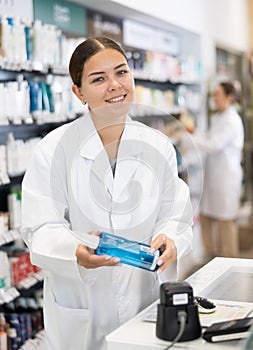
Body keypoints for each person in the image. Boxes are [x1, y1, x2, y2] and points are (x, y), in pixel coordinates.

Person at [21, 36, 193, 350]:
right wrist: (75, 251)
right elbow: (39, 228)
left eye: (121, 72)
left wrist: (171, 238)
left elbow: (176, 215)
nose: (114, 85)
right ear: (78, 91)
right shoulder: (53, 149)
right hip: (83, 307)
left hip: (144, 299)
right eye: (98, 79)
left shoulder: (158, 146)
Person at [182, 81, 244, 259]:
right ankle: (212, 258)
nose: (214, 98)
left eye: (218, 94)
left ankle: (230, 261)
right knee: (208, 216)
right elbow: (210, 138)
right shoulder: (219, 117)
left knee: (225, 221)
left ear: (229, 97)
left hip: (226, 177)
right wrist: (193, 132)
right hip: (214, 175)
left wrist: (189, 137)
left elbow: (213, 145)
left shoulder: (232, 120)